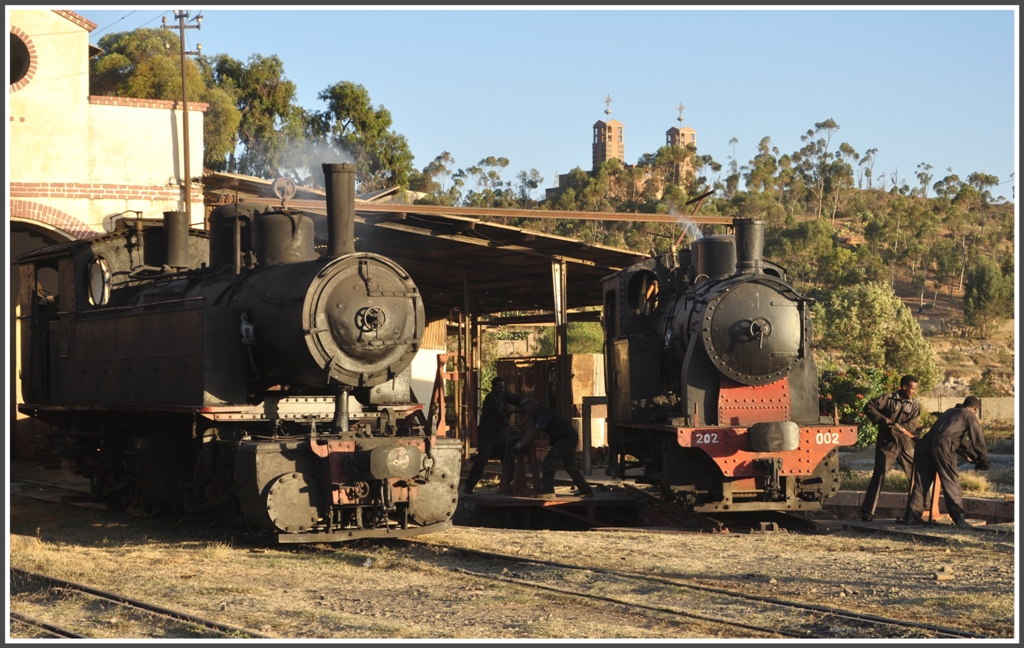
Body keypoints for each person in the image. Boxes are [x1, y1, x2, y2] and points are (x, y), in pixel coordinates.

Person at [903, 396, 990, 528]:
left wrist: (974, 456)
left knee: (922, 482)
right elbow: (977, 438)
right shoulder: (968, 414)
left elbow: (959, 441)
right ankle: (959, 518)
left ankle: (911, 516)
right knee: (950, 479)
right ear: (975, 408)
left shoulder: (950, 412)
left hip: (924, 443)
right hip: (942, 444)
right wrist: (983, 458)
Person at [860, 375, 922, 521]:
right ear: (904, 387)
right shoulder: (887, 398)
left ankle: (918, 511)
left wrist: (896, 427)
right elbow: (868, 407)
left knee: (917, 475)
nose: (914, 392)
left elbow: (912, 426)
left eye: (916, 389)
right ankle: (868, 512)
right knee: (879, 475)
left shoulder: (916, 405)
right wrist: (882, 419)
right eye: (912, 388)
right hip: (886, 443)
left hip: (904, 443)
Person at [510, 398, 594, 499]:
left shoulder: (544, 412)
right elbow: (531, 430)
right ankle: (586, 490)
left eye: (527, 410)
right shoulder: (536, 414)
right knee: (569, 465)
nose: (527, 413)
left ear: (531, 406)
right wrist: (521, 443)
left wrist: (522, 445)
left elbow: (536, 432)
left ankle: (548, 491)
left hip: (567, 437)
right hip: (569, 436)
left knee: (549, 462)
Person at [461, 377, 522, 495]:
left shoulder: (503, 395)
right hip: (487, 434)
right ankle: (469, 485)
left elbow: (515, 399)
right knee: (482, 458)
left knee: (508, 457)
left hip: (499, 433)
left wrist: (526, 403)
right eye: (499, 388)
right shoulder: (490, 399)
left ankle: (509, 483)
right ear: (493, 388)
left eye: (503, 388)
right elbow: (500, 414)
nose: (502, 390)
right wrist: (515, 412)